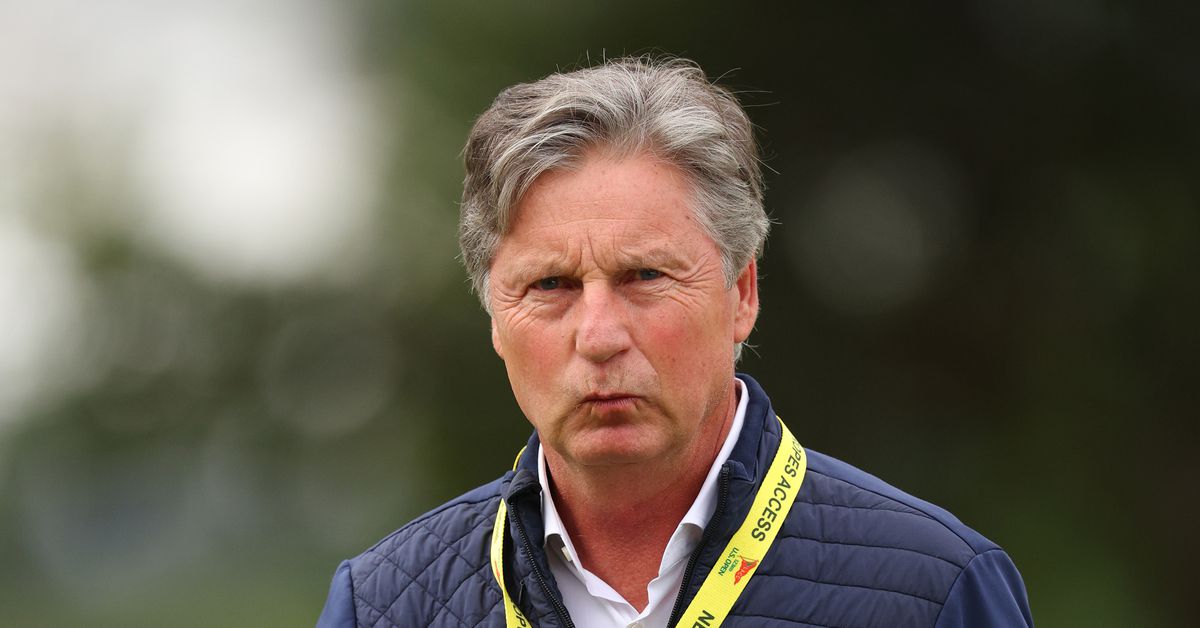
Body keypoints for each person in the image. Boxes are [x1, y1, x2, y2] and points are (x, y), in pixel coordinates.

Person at [317, 56, 1034, 628]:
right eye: (550, 286)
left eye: (645, 276)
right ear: (495, 321)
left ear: (742, 295)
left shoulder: (933, 591)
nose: (599, 336)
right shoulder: (382, 607)